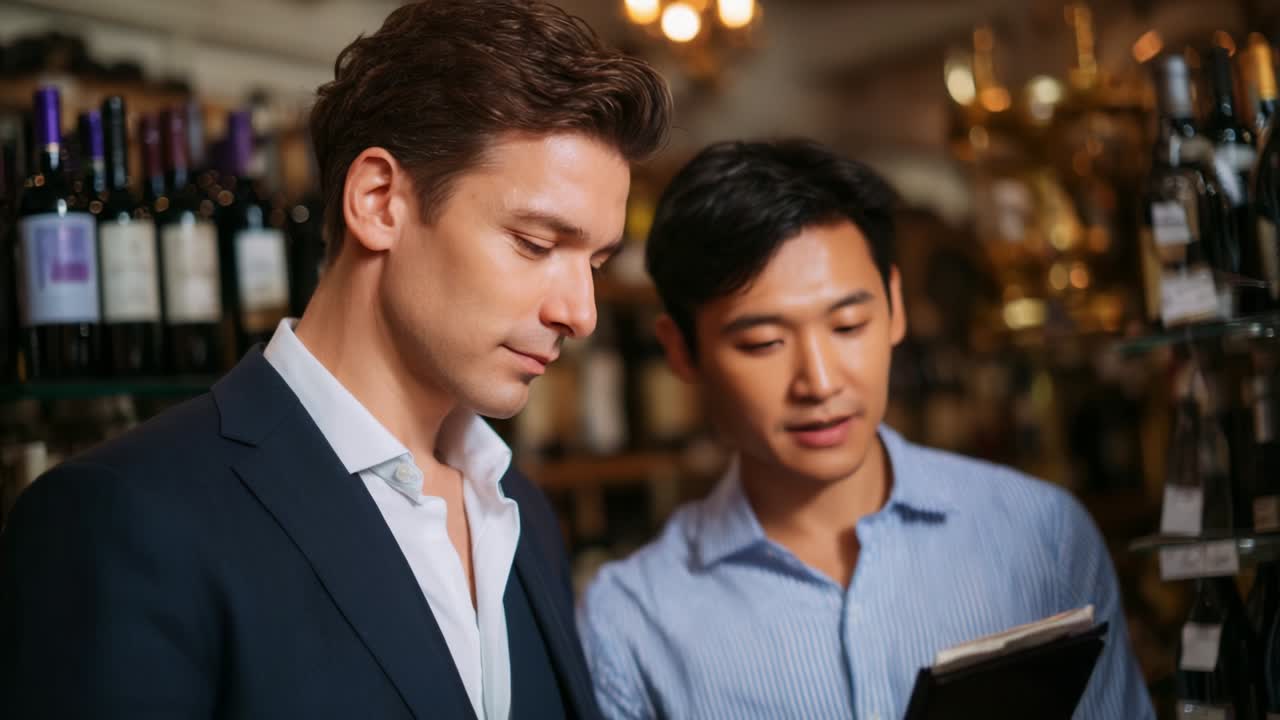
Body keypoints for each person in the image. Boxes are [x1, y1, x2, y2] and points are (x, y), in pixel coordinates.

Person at [0, 2, 671, 718]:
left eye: (595, 263)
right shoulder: (123, 519)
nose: (581, 312)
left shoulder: (521, 513)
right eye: (535, 244)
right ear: (379, 200)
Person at [577, 139, 1154, 720]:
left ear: (895, 306)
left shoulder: (1041, 534)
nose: (821, 382)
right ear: (682, 352)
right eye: (763, 343)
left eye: (848, 324)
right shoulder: (631, 620)